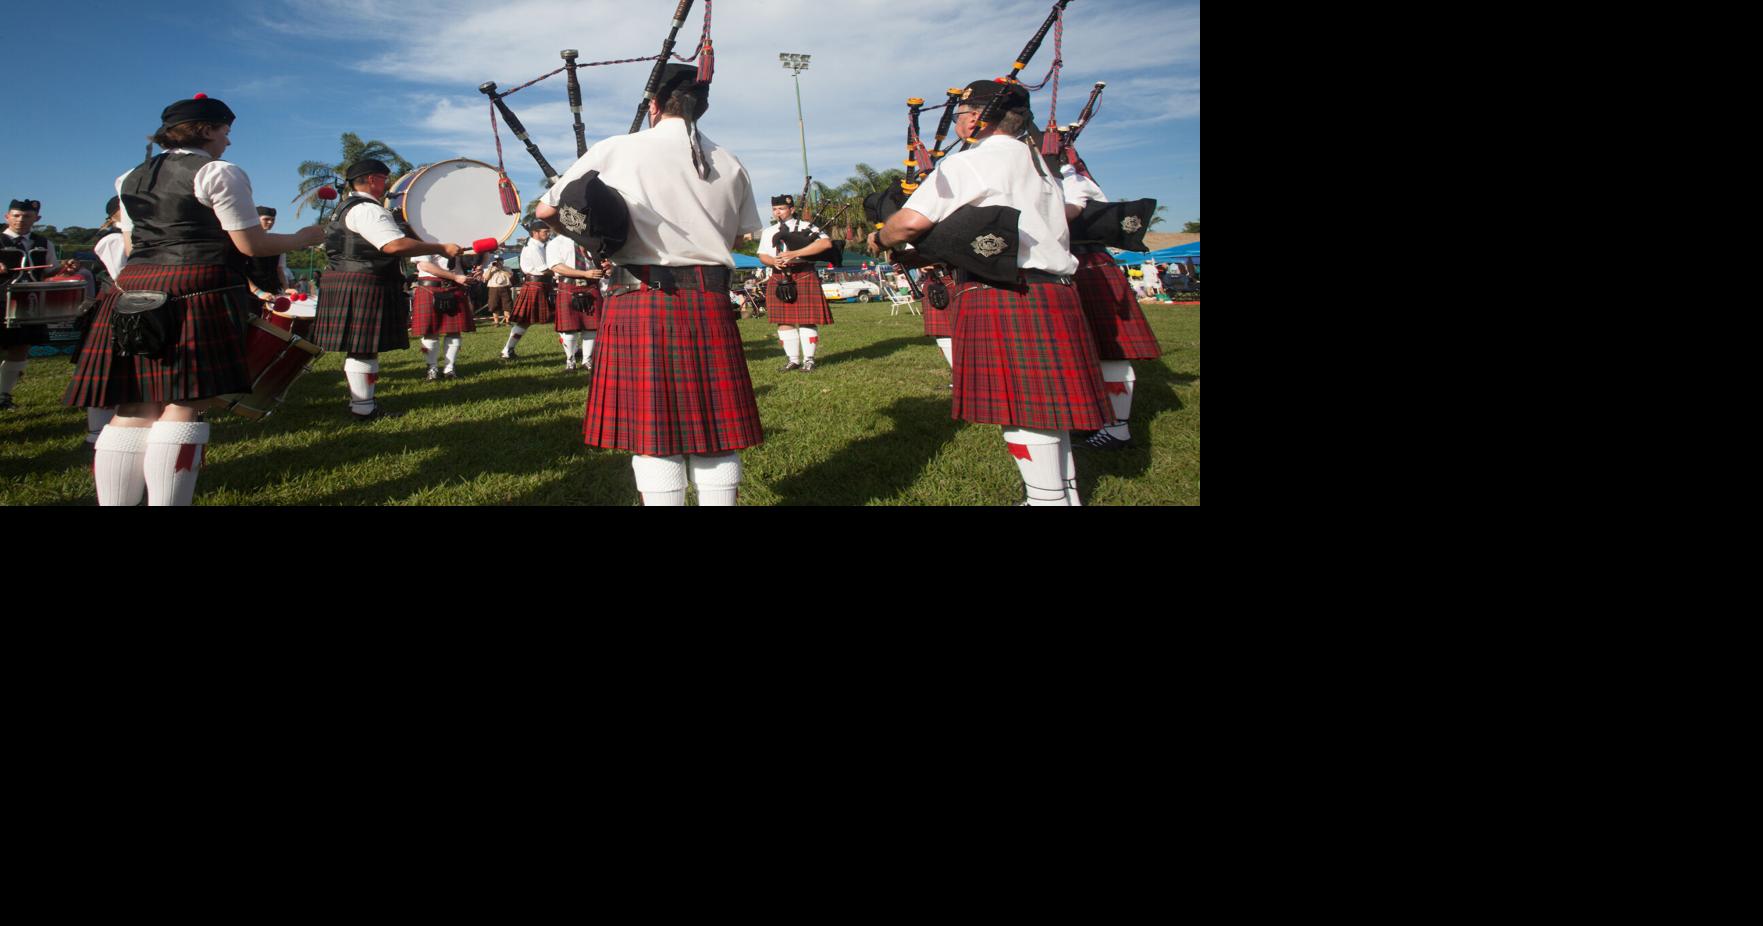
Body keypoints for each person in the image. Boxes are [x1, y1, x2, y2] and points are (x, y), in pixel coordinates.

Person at [63, 94, 325, 505]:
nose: (228, 141)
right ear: (205, 130)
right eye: (225, 131)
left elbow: (133, 242)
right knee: (184, 404)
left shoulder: (129, 176)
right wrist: (301, 238)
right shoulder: (219, 171)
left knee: (134, 406)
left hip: (133, 287)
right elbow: (251, 244)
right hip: (196, 288)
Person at [871, 78, 1111, 506]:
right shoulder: (1041, 166)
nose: (959, 122)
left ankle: (1046, 500)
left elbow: (909, 223)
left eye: (962, 114)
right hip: (1054, 291)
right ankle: (1064, 495)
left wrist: (881, 238)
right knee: (1048, 410)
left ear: (980, 118)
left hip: (1004, 291)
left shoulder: (971, 163)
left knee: (1022, 410)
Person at [536, 62, 764, 506]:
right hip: (711, 300)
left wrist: (596, 230)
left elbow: (548, 213)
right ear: (701, 108)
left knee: (654, 432)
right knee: (714, 427)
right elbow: (738, 236)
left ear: (655, 106)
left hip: (639, 297)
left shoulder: (618, 149)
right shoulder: (731, 163)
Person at [314, 158, 463, 420]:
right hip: (364, 280)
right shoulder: (368, 209)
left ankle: (362, 405)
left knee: (361, 348)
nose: (387, 185)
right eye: (384, 179)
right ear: (372, 179)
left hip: (350, 279)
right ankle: (363, 408)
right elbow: (393, 245)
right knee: (363, 348)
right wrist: (440, 247)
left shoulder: (344, 207)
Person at [1061, 163, 1162, 451]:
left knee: (1109, 349)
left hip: (1090, 264)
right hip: (1072, 265)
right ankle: (1097, 417)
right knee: (1086, 347)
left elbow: (1070, 212)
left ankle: (1118, 428)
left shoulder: (1071, 177)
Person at [756, 193, 833, 372]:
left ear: (791, 209)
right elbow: (762, 255)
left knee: (807, 319)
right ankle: (793, 360)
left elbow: (825, 244)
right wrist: (773, 261)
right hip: (778, 275)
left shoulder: (808, 226)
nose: (778, 213)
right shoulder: (769, 232)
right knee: (783, 320)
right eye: (775, 209)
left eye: (781, 209)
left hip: (803, 273)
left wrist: (793, 253)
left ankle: (809, 360)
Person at [0, 198, 59, 410]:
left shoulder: (44, 243)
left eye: (26, 216)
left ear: (36, 218)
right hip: (1, 300)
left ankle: (3, 395)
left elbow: (49, 271)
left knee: (21, 348)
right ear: (7, 217)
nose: (20, 220)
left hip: (29, 303)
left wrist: (64, 269)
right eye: (15, 215)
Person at [410, 253, 476, 381]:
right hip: (430, 286)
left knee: (454, 332)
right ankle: (432, 368)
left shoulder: (459, 239)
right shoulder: (424, 238)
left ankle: (449, 369)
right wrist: (455, 276)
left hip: (454, 286)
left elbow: (468, 260)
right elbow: (425, 265)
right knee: (430, 331)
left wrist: (481, 261)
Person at [548, 231, 604, 372]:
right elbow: (556, 266)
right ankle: (570, 361)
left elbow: (600, 261)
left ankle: (587, 360)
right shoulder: (556, 242)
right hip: (569, 285)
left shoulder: (591, 241)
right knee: (569, 328)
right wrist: (584, 273)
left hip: (591, 285)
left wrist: (604, 267)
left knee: (592, 326)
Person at [506, 223, 555, 359]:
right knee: (524, 321)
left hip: (542, 285)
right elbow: (543, 268)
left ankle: (572, 351)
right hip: (536, 285)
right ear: (535, 232)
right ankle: (507, 350)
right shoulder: (533, 247)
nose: (548, 234)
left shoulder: (541, 246)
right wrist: (562, 273)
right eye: (545, 231)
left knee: (559, 318)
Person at [244, 206, 291, 303]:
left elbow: (279, 269)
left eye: (273, 220)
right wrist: (258, 292)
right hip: (250, 295)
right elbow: (240, 271)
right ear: (256, 220)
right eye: (266, 219)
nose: (270, 222)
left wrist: (286, 289)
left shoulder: (277, 243)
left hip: (273, 293)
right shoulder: (245, 242)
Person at [483, 257, 513, 326]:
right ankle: (496, 322)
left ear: (503, 261)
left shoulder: (507, 268)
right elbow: (486, 278)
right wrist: (491, 268)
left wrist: (501, 269)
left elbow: (509, 276)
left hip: (505, 288)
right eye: (496, 261)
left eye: (500, 261)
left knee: (507, 305)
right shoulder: (490, 269)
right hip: (494, 288)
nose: (498, 262)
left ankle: (507, 321)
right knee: (494, 305)